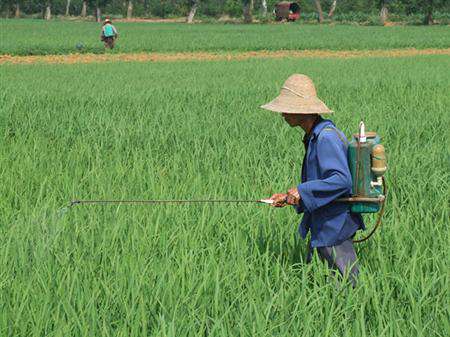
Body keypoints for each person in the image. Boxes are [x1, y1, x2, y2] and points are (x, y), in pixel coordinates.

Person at [261, 74, 364, 287]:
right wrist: (291, 196)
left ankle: (358, 314)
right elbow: (322, 181)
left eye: (287, 108)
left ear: (302, 110)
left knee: (347, 284)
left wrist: (302, 191)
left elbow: (341, 180)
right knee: (328, 281)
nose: (282, 113)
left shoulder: (325, 138)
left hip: (335, 224)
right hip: (327, 221)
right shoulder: (315, 135)